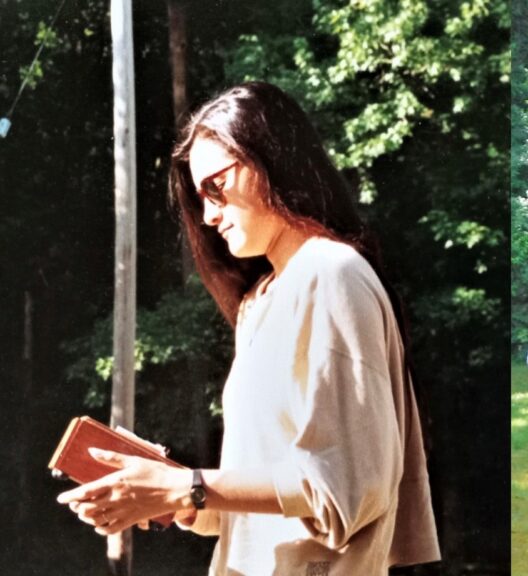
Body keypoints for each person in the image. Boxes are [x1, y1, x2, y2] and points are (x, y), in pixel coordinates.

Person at [57, 81, 440, 575]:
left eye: (216, 186)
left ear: (271, 160)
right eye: (199, 199)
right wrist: (172, 495)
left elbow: (348, 487)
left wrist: (189, 484)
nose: (210, 215)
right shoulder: (260, 302)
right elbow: (268, 500)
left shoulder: (330, 273)